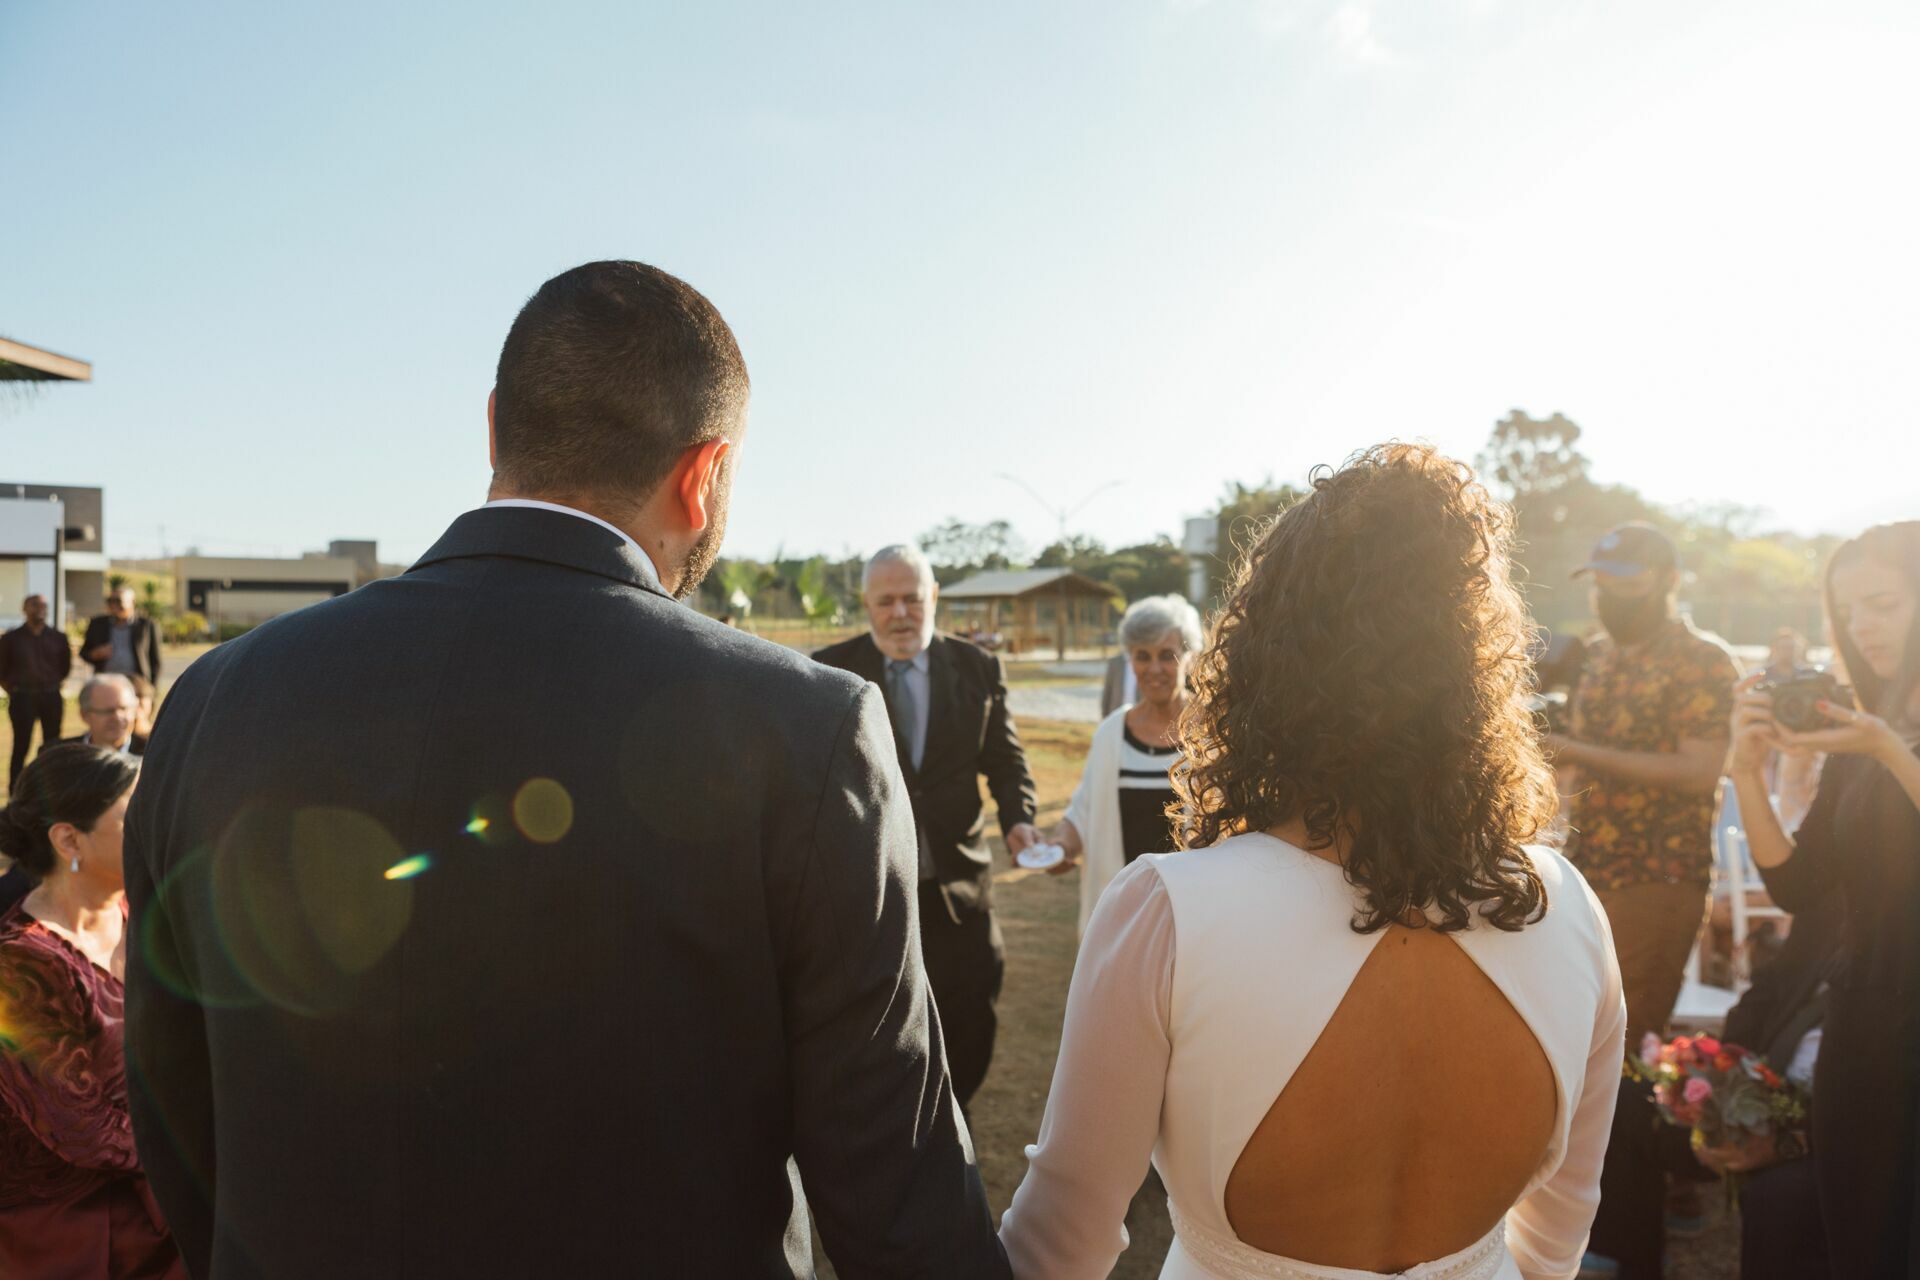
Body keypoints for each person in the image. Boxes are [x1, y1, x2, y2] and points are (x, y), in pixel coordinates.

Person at [123, 261, 1006, 1279]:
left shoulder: (217, 695)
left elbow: (173, 1101)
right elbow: (893, 1184)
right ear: (705, 474)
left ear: (495, 428)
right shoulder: (803, 725)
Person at [1000, 444, 1625, 1280]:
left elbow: (1058, 1247)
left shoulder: (1169, 912)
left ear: (1264, 661)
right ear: (1478, 672)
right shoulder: (1569, 908)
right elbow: (1556, 1239)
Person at [1729, 519, 1920, 1279]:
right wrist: (1744, 773)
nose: (1862, 626)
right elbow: (1795, 884)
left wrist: (1890, 753)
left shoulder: (1876, 738)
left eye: (1883, 603)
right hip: (1867, 1023)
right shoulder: (1865, 727)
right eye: (1849, 611)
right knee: (1863, 1244)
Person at [814, 544, 1039, 1111]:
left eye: (912, 598)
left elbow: (1006, 763)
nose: (899, 613)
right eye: (885, 601)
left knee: (973, 1009)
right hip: (872, 888)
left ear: (933, 597)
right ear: (865, 604)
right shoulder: (828, 672)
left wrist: (1020, 823)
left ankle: (951, 1114)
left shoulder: (978, 667)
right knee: (874, 1023)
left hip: (958, 883)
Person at [1544, 522, 1740, 1047]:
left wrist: (1578, 752)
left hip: (1659, 875)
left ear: (1669, 580)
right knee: (1572, 1037)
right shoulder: (1598, 656)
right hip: (1586, 870)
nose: (1610, 595)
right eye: (1601, 582)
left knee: (1627, 1044)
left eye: (1626, 582)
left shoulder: (1703, 660)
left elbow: (1701, 768)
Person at [0, 743, 185, 1278]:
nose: (158, 826)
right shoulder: (22, 965)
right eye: (136, 816)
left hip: (158, 1187)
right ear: (68, 839)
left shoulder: (138, 909)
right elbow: (82, 1133)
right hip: (77, 1226)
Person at [1045, 594, 1203, 937]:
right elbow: (1084, 811)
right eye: (1142, 656)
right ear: (1130, 660)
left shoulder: (1209, 731)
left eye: (1167, 655)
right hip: (1124, 916)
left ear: (1189, 657)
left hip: (1193, 914)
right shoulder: (1111, 733)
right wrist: (1059, 847)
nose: (1155, 669)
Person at [2, 592, 72, 789]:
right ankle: (15, 792)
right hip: (22, 698)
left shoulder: (58, 637)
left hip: (51, 697)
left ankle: (51, 789)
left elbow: (65, 668)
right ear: (24, 609)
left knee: (52, 746)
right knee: (21, 746)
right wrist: (14, 690)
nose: (40, 609)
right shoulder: (11, 638)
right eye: (34, 605)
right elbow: (2, 670)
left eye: (43, 606)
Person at [81, 590, 160, 684]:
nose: (113, 604)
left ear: (133, 602)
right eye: (110, 600)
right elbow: (84, 653)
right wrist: (96, 654)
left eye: (118, 600)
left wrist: (152, 688)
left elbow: (155, 661)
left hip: (136, 683)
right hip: (105, 682)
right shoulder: (97, 624)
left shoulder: (146, 625)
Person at [63, 676, 147, 758]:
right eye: (108, 711)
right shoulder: (62, 756)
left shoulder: (151, 754)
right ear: (85, 715)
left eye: (124, 709)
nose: (118, 717)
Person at [1099, 649, 1136, 718]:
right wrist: (1105, 719)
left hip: (1141, 718)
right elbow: (1107, 692)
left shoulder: (1148, 662)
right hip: (1117, 716)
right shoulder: (1115, 662)